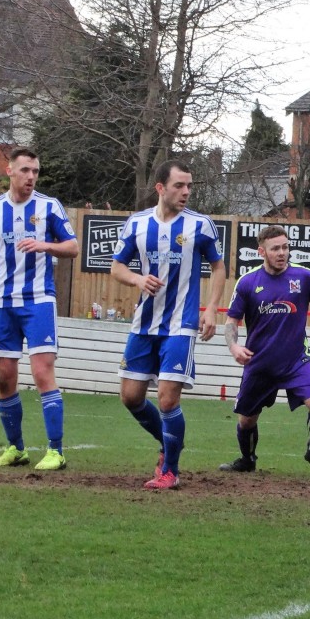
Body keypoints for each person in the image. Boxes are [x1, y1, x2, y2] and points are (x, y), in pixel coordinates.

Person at [110, 159, 225, 490]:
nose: (186, 191)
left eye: (189, 185)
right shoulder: (137, 224)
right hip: (143, 325)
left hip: (181, 324)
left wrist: (211, 309)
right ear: (160, 188)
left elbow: (218, 268)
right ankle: (170, 441)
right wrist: (137, 279)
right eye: (179, 185)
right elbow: (116, 268)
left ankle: (170, 471)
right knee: (131, 397)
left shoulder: (200, 226)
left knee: (167, 400)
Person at [0, 148, 78, 471]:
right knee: (4, 377)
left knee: (42, 372)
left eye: (35, 171)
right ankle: (16, 447)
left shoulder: (48, 207)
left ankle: (56, 450)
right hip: (2, 302)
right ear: (9, 171)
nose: (31, 177)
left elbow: (72, 246)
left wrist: (45, 245)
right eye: (25, 170)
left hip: (39, 300)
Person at [220, 225, 310, 478]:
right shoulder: (248, 282)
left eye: (285, 247)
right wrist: (234, 346)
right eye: (276, 249)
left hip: (296, 361)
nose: (282, 253)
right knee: (246, 421)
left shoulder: (303, 277)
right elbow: (231, 322)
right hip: (260, 363)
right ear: (262, 251)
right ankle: (247, 459)